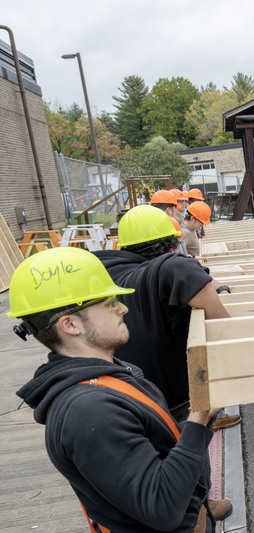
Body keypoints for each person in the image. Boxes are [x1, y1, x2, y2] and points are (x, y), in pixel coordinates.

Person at [11, 247, 218, 532]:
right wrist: (199, 419)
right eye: (109, 302)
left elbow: (157, 447)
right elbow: (163, 508)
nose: (123, 307)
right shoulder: (89, 412)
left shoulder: (111, 375)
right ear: (70, 324)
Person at [94, 205, 236, 520]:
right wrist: (210, 293)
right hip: (171, 394)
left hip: (124, 389)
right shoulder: (171, 266)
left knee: (158, 461)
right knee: (190, 450)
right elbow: (225, 325)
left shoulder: (106, 272)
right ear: (172, 244)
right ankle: (201, 509)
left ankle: (194, 509)